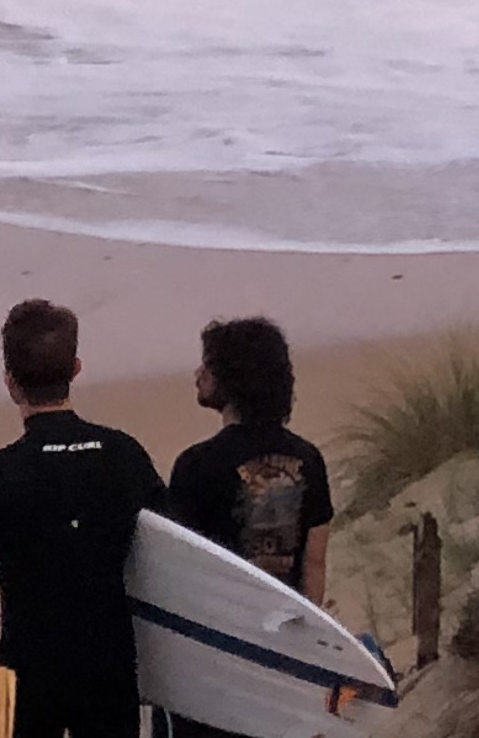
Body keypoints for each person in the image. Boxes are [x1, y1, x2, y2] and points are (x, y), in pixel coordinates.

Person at [0, 300, 164, 738]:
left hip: (29, 669)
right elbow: (177, 553)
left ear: (10, 383)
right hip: (108, 665)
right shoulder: (124, 456)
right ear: (77, 368)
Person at [163, 315, 336, 738]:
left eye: (207, 365)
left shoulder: (196, 466)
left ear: (232, 378)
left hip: (213, 658)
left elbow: (177, 571)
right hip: (282, 646)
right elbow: (314, 564)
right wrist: (305, 647)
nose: (197, 374)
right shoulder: (309, 460)